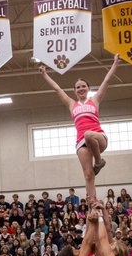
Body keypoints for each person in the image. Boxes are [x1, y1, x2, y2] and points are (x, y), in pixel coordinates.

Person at [38, 55, 120, 202]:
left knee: (89, 135)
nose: (81, 88)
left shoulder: (95, 100)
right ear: (75, 91)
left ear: (88, 88)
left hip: (98, 137)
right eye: (78, 87)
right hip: (81, 142)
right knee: (88, 175)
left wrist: (115, 63)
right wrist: (44, 75)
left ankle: (99, 161)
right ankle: (92, 203)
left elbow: (106, 81)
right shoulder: (71, 104)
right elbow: (57, 89)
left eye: (83, 86)